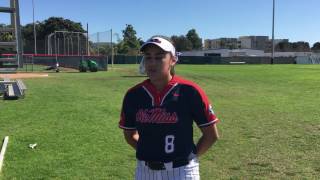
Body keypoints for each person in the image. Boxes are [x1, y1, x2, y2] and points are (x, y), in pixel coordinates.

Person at [119, 36, 220, 180]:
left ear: (173, 60)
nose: (152, 62)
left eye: (159, 57)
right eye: (148, 57)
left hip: (182, 171)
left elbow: (211, 135)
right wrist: (149, 152)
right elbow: (130, 135)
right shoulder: (134, 95)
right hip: (145, 171)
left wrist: (189, 157)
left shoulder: (190, 91)